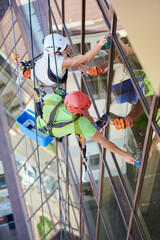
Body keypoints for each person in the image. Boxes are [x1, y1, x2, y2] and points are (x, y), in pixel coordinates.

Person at [36, 90, 138, 165]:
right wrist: (124, 154)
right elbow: (103, 141)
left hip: (41, 123)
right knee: (88, 120)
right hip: (54, 131)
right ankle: (96, 127)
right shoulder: (81, 124)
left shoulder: (54, 98)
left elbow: (47, 99)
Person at [34, 33, 109, 89]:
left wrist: (80, 65)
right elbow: (86, 58)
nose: (68, 47)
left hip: (38, 67)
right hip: (46, 79)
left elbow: (69, 59)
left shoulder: (48, 43)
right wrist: (100, 43)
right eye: (65, 47)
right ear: (56, 53)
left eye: (66, 44)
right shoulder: (60, 62)